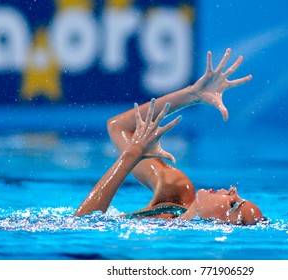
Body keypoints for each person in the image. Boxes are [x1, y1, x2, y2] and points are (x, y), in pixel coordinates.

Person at [75, 48, 265, 225]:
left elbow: (81, 229)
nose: (233, 191)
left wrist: (133, 155)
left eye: (234, 204)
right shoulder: (177, 190)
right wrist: (192, 94)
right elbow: (119, 127)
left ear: (221, 224)